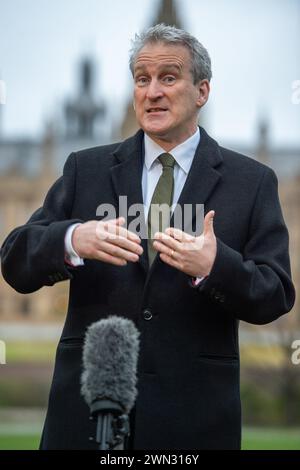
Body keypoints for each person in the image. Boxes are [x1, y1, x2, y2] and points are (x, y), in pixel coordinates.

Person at [0, 24, 295, 450]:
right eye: (142, 79)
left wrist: (216, 267)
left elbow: (276, 294)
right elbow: (14, 259)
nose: (152, 91)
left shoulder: (251, 183)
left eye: (168, 78)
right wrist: (71, 239)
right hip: (87, 420)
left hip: (194, 424)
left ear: (203, 91)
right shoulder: (87, 170)